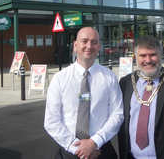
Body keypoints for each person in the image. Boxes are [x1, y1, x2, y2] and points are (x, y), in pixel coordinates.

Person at [44, 27, 124, 159]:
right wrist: (77, 148)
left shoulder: (109, 77)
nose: (89, 46)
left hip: (101, 149)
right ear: (75, 46)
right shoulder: (60, 79)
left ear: (99, 47)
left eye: (94, 42)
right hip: (69, 150)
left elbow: (117, 114)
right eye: (84, 41)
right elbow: (51, 120)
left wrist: (94, 142)